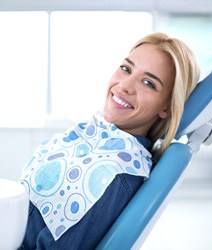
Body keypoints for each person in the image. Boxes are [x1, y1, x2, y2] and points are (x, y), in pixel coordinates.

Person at [18, 32, 200, 249]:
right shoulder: (91, 133)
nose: (124, 85)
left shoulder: (112, 174)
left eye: (148, 83)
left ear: (166, 107)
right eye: (126, 69)